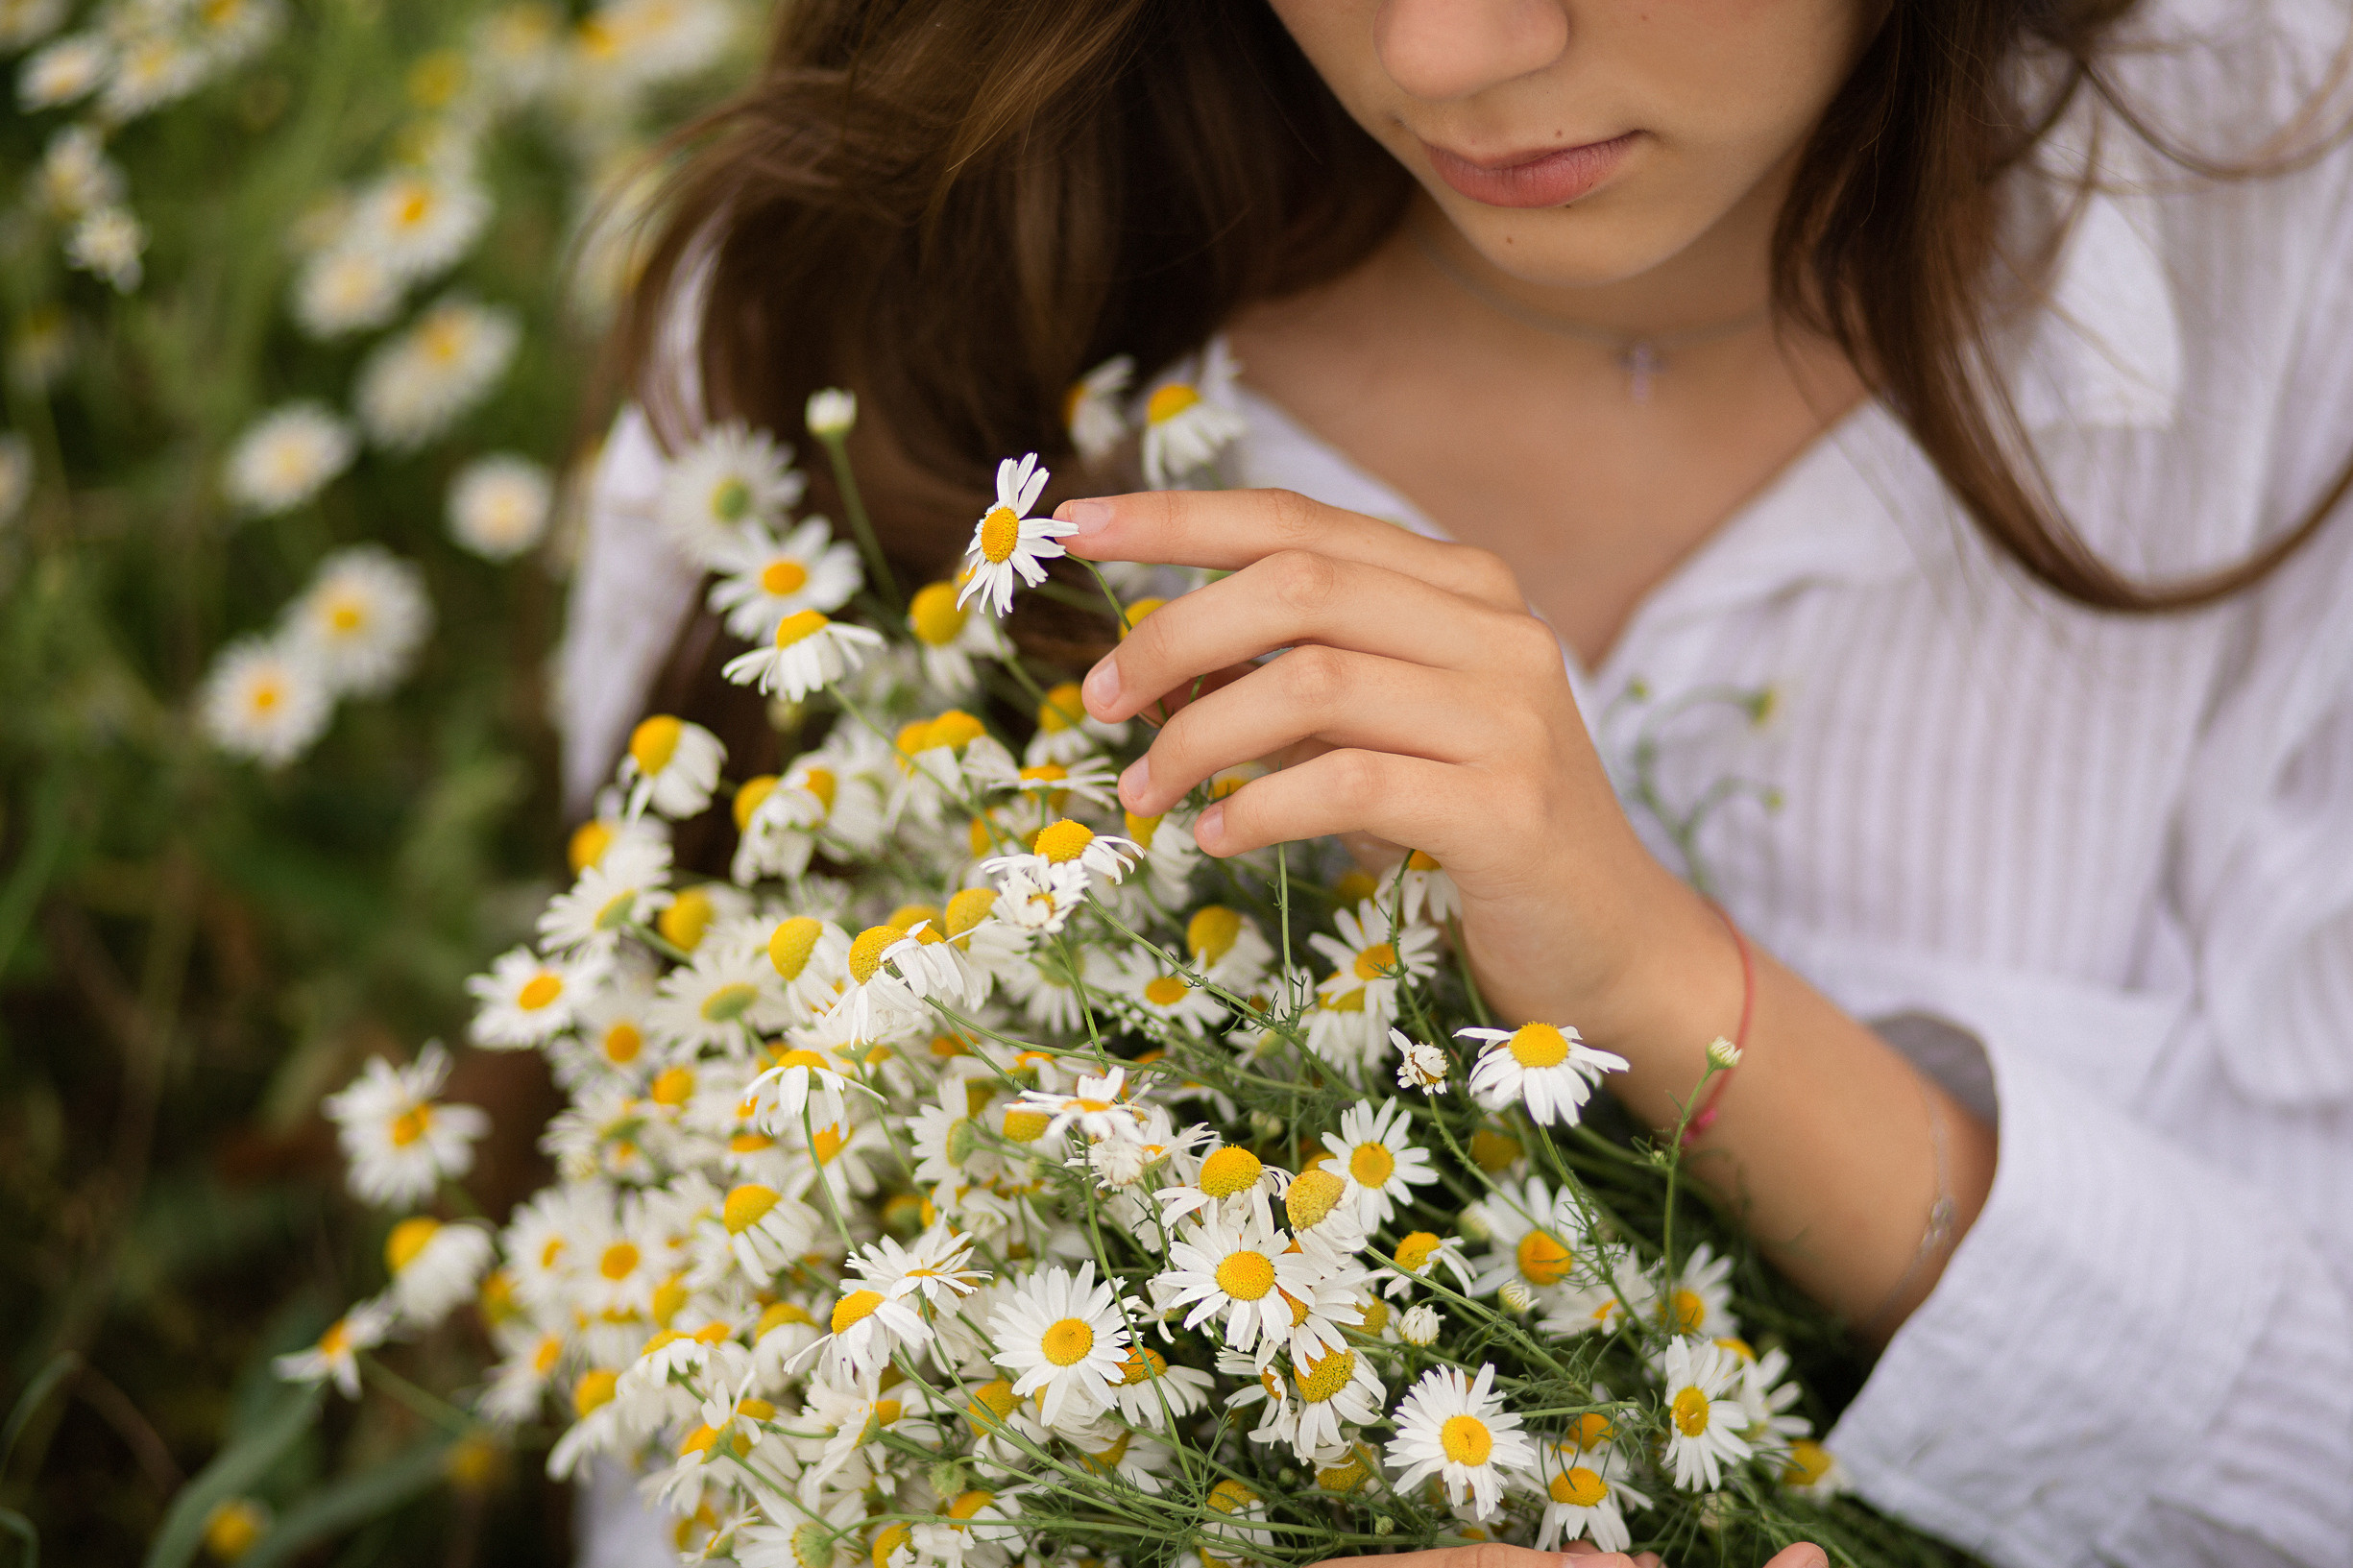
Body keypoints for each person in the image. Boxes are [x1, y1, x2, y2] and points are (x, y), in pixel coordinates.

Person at [558, 1, 2353, 1563]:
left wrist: (1652, 985)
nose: (1435, 52)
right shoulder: (901, 280)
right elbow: (693, 1418)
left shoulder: (2293, 221)